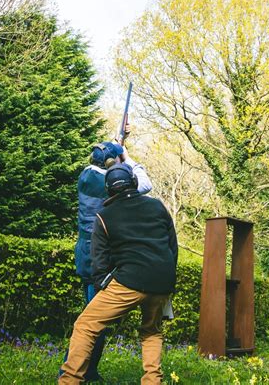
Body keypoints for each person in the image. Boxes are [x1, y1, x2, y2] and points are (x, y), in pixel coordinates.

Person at [59, 162, 178, 385]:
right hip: (162, 282)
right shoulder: (157, 206)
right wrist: (168, 281)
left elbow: (98, 260)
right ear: (134, 182)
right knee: (151, 332)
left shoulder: (104, 215)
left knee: (86, 326)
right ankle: (153, 381)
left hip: (128, 282)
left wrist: (105, 282)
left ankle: (69, 381)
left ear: (109, 189)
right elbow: (172, 247)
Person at [73, 139, 152, 382]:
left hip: (88, 253)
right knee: (92, 321)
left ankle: (89, 371)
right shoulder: (104, 182)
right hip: (97, 255)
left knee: (95, 319)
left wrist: (119, 144)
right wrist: (127, 158)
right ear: (111, 163)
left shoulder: (88, 174)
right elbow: (145, 184)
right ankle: (75, 371)